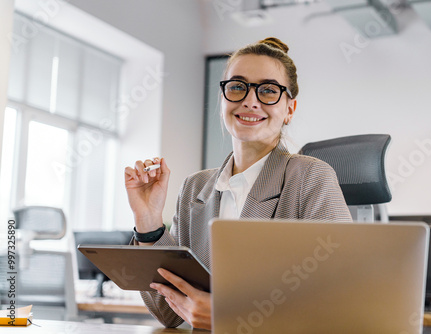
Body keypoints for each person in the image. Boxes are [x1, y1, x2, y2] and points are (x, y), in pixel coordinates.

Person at [124, 37, 352, 330]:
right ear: (223, 100)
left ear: (290, 109)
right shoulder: (195, 187)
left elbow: (342, 299)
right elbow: (167, 312)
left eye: (268, 90)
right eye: (237, 86)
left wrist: (229, 314)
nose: (250, 100)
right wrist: (148, 221)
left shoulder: (311, 177)